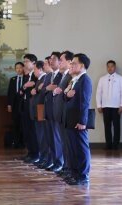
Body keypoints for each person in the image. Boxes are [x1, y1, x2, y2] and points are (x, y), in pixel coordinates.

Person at [64, 53, 93, 185]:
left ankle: (83, 175)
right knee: (73, 148)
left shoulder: (85, 80)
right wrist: (67, 94)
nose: (71, 65)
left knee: (81, 148)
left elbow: (85, 102)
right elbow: (67, 98)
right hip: (70, 119)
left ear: (82, 65)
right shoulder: (74, 80)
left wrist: (82, 121)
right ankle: (75, 173)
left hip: (78, 120)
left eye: (73, 63)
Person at [96, 60, 122, 149]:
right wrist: (99, 105)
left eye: (112, 66)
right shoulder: (102, 79)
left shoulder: (120, 78)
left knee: (116, 126)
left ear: (115, 67)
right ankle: (108, 144)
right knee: (107, 126)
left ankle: (116, 144)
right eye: (108, 66)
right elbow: (99, 93)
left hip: (116, 106)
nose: (110, 68)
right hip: (105, 106)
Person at [53, 50, 74, 177]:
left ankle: (69, 168)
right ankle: (66, 167)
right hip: (60, 114)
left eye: (61, 60)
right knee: (64, 143)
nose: (59, 62)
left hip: (66, 114)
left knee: (68, 144)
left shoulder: (70, 76)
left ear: (69, 62)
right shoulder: (64, 75)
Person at [44, 52, 64, 172]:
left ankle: (59, 163)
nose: (51, 61)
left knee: (57, 138)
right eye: (50, 59)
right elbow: (45, 90)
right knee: (51, 138)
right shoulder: (51, 75)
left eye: (53, 59)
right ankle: (53, 161)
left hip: (56, 111)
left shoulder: (61, 75)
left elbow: (56, 90)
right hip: (48, 110)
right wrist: (47, 88)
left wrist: (49, 89)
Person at [20, 54, 39, 163]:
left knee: (33, 131)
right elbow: (21, 91)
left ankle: (36, 154)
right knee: (27, 130)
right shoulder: (26, 76)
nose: (25, 63)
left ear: (33, 63)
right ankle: (30, 153)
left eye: (27, 61)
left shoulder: (37, 76)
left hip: (34, 107)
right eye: (24, 61)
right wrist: (25, 86)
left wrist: (33, 85)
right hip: (25, 105)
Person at [7, 62, 24, 148]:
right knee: (15, 123)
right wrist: (9, 104)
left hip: (23, 104)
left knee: (23, 124)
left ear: (23, 68)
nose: (18, 69)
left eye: (20, 67)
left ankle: (23, 143)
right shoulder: (12, 79)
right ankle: (16, 142)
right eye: (17, 68)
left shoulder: (26, 78)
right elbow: (9, 93)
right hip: (14, 104)